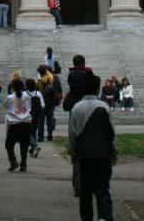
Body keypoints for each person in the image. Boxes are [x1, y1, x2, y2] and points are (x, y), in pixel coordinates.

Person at [69, 73, 116, 221]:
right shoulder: (104, 107)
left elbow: (72, 133)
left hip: (84, 156)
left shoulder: (77, 108)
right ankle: (104, 217)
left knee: (86, 192)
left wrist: (73, 151)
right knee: (103, 189)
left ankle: (87, 218)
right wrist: (113, 149)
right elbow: (111, 132)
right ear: (97, 89)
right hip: (103, 154)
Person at [4, 77, 34, 172]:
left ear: (12, 87)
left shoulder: (10, 97)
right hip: (26, 123)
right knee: (24, 145)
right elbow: (30, 107)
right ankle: (23, 164)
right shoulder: (27, 96)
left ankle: (13, 162)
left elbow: (6, 106)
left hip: (14, 123)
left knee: (9, 145)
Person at [37, 64, 58, 141]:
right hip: (51, 102)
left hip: (42, 102)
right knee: (50, 119)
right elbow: (57, 89)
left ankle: (40, 137)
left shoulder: (39, 80)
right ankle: (50, 135)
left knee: (41, 120)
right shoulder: (53, 78)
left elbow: (37, 92)